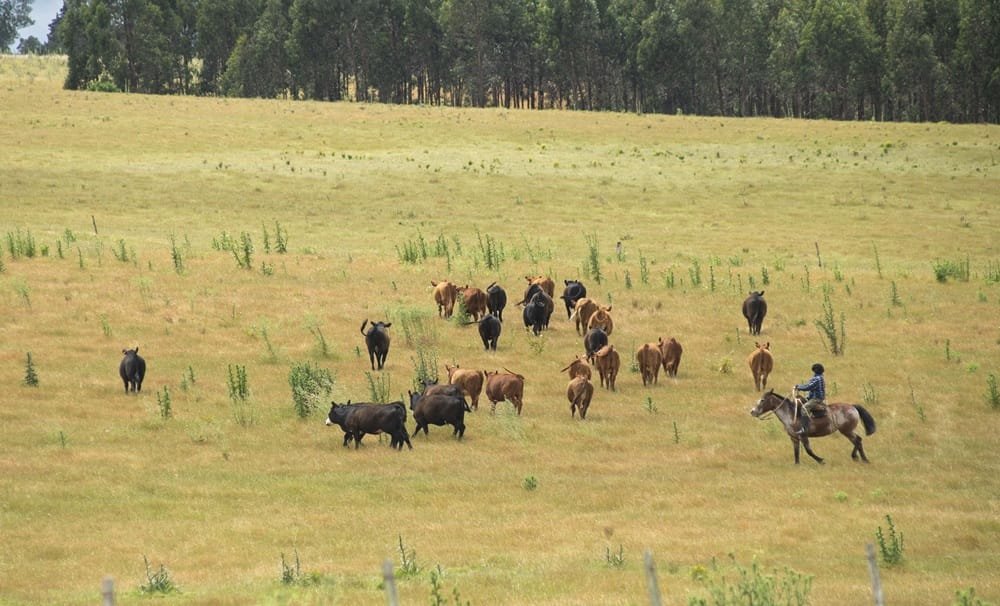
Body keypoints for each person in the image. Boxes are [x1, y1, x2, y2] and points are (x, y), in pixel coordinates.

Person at [794, 363, 826, 437]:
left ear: (815, 370)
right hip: (814, 397)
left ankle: (804, 428)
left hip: (816, 398)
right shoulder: (820, 377)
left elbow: (808, 387)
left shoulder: (817, 379)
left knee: (804, 408)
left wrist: (798, 387)